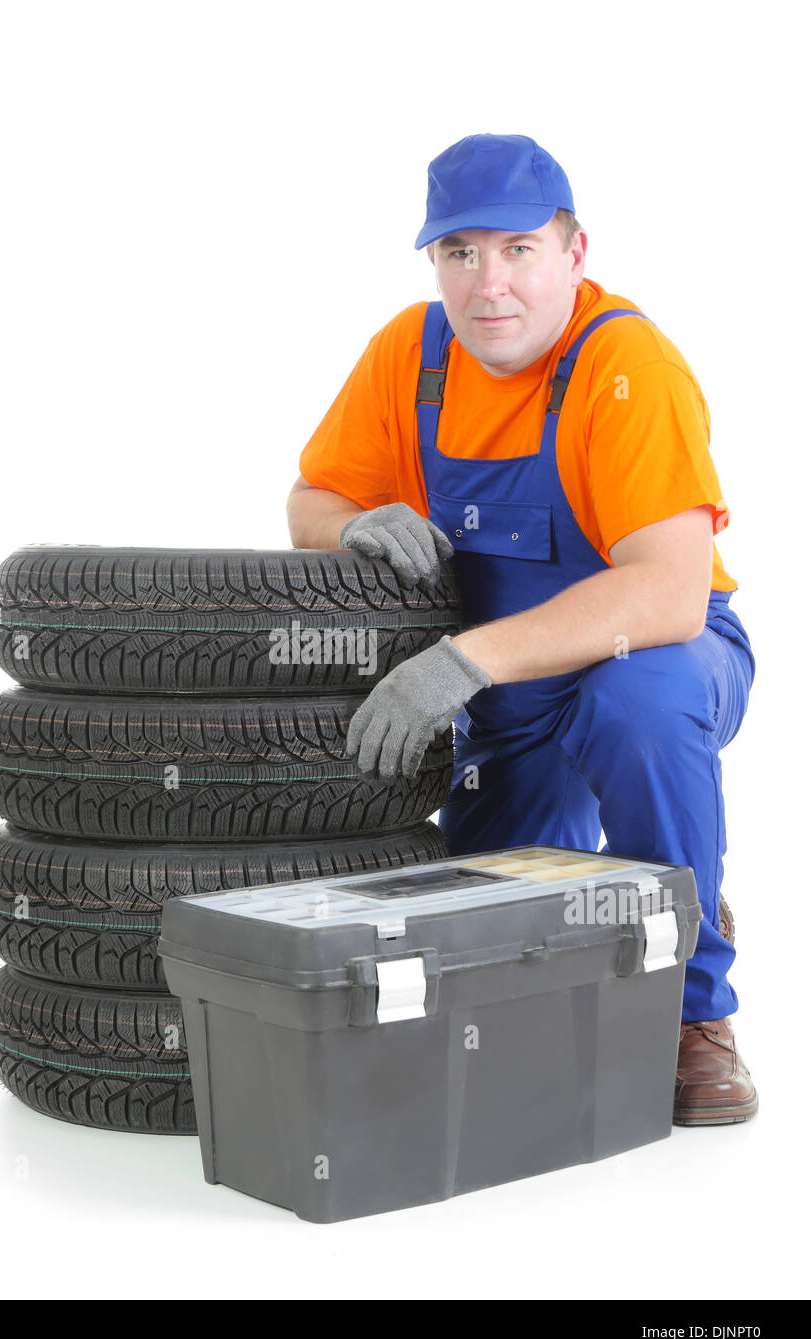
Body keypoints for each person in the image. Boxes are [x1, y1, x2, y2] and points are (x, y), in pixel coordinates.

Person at [287, 133, 757, 1127]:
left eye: (518, 249)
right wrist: (352, 523)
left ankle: (694, 1009)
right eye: (460, 252)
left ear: (574, 252)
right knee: (494, 942)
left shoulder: (626, 364)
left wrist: (458, 662)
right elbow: (312, 497)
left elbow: (667, 596)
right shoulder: (411, 356)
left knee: (638, 704)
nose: (487, 283)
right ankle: (680, 878)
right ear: (433, 262)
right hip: (510, 691)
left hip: (660, 655)